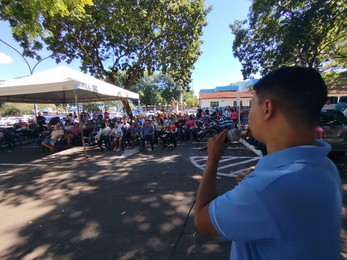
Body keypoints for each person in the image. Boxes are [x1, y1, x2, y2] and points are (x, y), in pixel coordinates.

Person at [194, 67, 342, 259]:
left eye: (251, 104)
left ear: (267, 108)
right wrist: (260, 179)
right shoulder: (327, 167)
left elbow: (201, 218)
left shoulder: (265, 190)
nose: (248, 113)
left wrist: (213, 158)